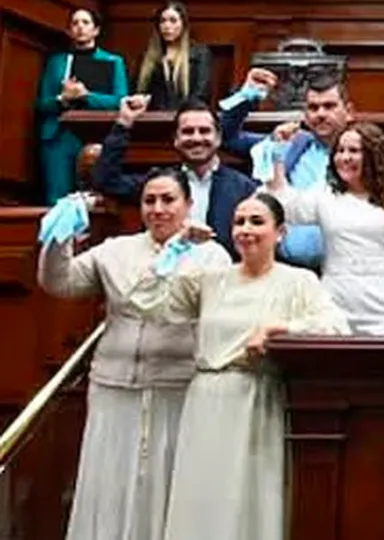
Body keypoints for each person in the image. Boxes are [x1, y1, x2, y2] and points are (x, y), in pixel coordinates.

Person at [129, 191, 350, 540]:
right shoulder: (211, 279)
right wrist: (177, 246)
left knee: (248, 495)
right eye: (239, 222)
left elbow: (336, 326)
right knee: (201, 497)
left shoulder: (298, 281)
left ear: (280, 232)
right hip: (205, 400)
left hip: (256, 398)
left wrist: (280, 329)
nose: (245, 229)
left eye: (256, 222)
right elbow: (145, 300)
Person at [36, 168, 231, 540]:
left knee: (168, 483)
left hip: (176, 386)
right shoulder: (116, 250)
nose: (158, 209)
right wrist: (59, 238)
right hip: (114, 385)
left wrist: (176, 253)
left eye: (168, 200)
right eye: (149, 200)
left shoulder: (211, 255)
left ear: (189, 204)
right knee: (110, 482)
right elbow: (59, 282)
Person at [266, 120, 384, 334]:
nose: (345, 157)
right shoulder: (325, 194)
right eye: (340, 151)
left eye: (354, 151)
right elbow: (284, 205)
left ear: (373, 155)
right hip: (335, 301)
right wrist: (278, 154)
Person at [91, 95, 257, 259]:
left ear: (218, 138)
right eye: (187, 131)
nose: (196, 138)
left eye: (204, 131)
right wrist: (124, 122)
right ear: (176, 139)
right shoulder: (158, 183)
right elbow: (106, 180)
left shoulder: (244, 188)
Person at [220, 69, 355, 269]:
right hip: (284, 268)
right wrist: (248, 94)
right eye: (313, 108)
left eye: (329, 106)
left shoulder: (362, 153)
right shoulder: (289, 143)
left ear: (349, 112)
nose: (320, 114)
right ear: (305, 115)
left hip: (343, 270)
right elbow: (227, 137)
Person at [36, 8, 129, 203]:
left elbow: (120, 101)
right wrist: (62, 99)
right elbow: (42, 103)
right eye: (75, 23)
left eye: (85, 23)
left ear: (96, 30)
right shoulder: (57, 62)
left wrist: (86, 95)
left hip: (96, 135)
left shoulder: (113, 61)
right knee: (57, 199)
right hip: (59, 136)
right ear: (69, 30)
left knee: (93, 197)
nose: (80, 27)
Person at [133, 0, 211, 110]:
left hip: (187, 115)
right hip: (154, 117)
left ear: (183, 24)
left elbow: (201, 93)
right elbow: (138, 91)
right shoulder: (146, 57)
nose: (167, 26)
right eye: (163, 21)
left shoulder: (199, 54)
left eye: (173, 21)